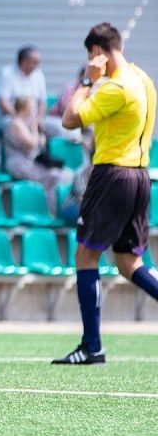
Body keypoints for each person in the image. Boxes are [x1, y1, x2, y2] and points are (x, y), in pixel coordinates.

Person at [53, 22, 157, 365]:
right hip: (140, 175)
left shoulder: (115, 87)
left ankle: (92, 347)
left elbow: (70, 119)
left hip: (112, 175)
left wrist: (87, 80)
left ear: (97, 54)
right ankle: (92, 345)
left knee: (85, 256)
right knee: (129, 263)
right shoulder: (143, 78)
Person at [3, 96, 71, 212]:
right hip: (20, 163)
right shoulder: (15, 123)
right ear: (26, 107)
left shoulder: (26, 122)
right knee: (56, 176)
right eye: (32, 106)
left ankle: (50, 206)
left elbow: (38, 143)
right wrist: (35, 127)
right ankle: (48, 209)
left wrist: (40, 136)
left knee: (67, 174)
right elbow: (32, 144)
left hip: (33, 161)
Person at [0, 45, 47, 129]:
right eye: (35, 62)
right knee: (19, 126)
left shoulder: (39, 74)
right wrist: (19, 117)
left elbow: (42, 102)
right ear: (24, 62)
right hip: (11, 118)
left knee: (58, 128)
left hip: (34, 119)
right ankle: (34, 141)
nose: (38, 65)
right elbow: (3, 102)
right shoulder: (7, 73)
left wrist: (39, 118)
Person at [44, 65, 87, 143]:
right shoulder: (70, 88)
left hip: (81, 120)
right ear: (81, 76)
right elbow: (67, 111)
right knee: (74, 132)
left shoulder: (94, 89)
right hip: (59, 118)